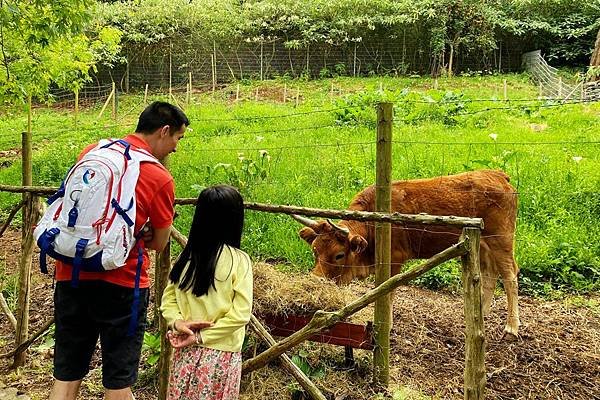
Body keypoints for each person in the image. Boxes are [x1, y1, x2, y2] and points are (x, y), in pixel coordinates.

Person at [49, 101, 191, 400]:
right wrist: (144, 231)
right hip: (123, 282)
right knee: (118, 381)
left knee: (66, 375)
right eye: (178, 138)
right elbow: (159, 243)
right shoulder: (159, 176)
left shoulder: (92, 152)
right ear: (164, 131)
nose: (176, 148)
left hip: (71, 274)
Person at [160, 185, 253, 400]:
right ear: (235, 219)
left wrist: (177, 323)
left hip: (185, 352)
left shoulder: (188, 258)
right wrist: (202, 336)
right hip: (222, 357)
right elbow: (241, 314)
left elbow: (169, 298)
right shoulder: (239, 261)